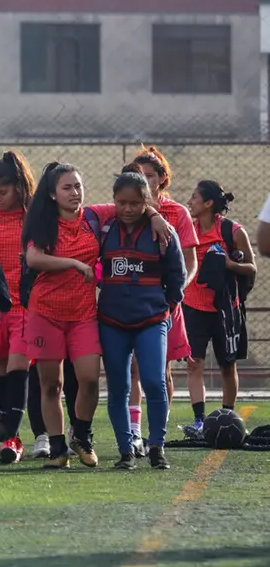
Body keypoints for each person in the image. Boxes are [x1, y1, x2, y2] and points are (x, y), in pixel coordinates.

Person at [22, 163, 171, 469]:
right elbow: (34, 258)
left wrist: (155, 216)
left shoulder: (94, 215)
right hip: (45, 313)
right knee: (52, 385)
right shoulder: (43, 222)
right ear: (52, 194)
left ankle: (81, 436)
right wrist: (75, 264)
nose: (75, 193)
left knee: (89, 381)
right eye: (67, 187)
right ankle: (57, 448)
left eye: (78, 186)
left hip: (83, 315)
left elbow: (135, 201)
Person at [98, 164, 186, 470]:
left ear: (146, 201)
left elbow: (177, 275)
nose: (128, 208)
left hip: (152, 320)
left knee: (153, 380)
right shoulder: (104, 228)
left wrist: (167, 306)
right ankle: (125, 450)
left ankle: (156, 446)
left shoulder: (162, 232)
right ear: (114, 201)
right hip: (111, 321)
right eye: (122, 203)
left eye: (136, 203)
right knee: (119, 387)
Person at [124, 146, 198, 457]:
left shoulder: (177, 213)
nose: (144, 180)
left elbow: (190, 263)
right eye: (138, 174)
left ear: (161, 179)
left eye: (150, 175)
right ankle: (134, 433)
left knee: (160, 371)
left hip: (165, 303)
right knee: (133, 369)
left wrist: (174, 293)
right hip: (130, 301)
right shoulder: (125, 210)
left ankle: (159, 433)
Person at [182, 181, 256, 437]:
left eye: (194, 198)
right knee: (194, 364)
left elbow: (251, 268)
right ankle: (200, 421)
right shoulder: (188, 230)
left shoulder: (232, 231)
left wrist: (227, 264)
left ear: (208, 203)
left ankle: (228, 416)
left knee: (227, 365)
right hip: (193, 307)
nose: (189, 202)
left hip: (225, 308)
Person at [0, 151, 37, 463]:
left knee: (19, 366)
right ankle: (5, 429)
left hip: (25, 306)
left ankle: (12, 438)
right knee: (0, 368)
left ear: (18, 187)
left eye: (2, 192)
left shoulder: (33, 216)